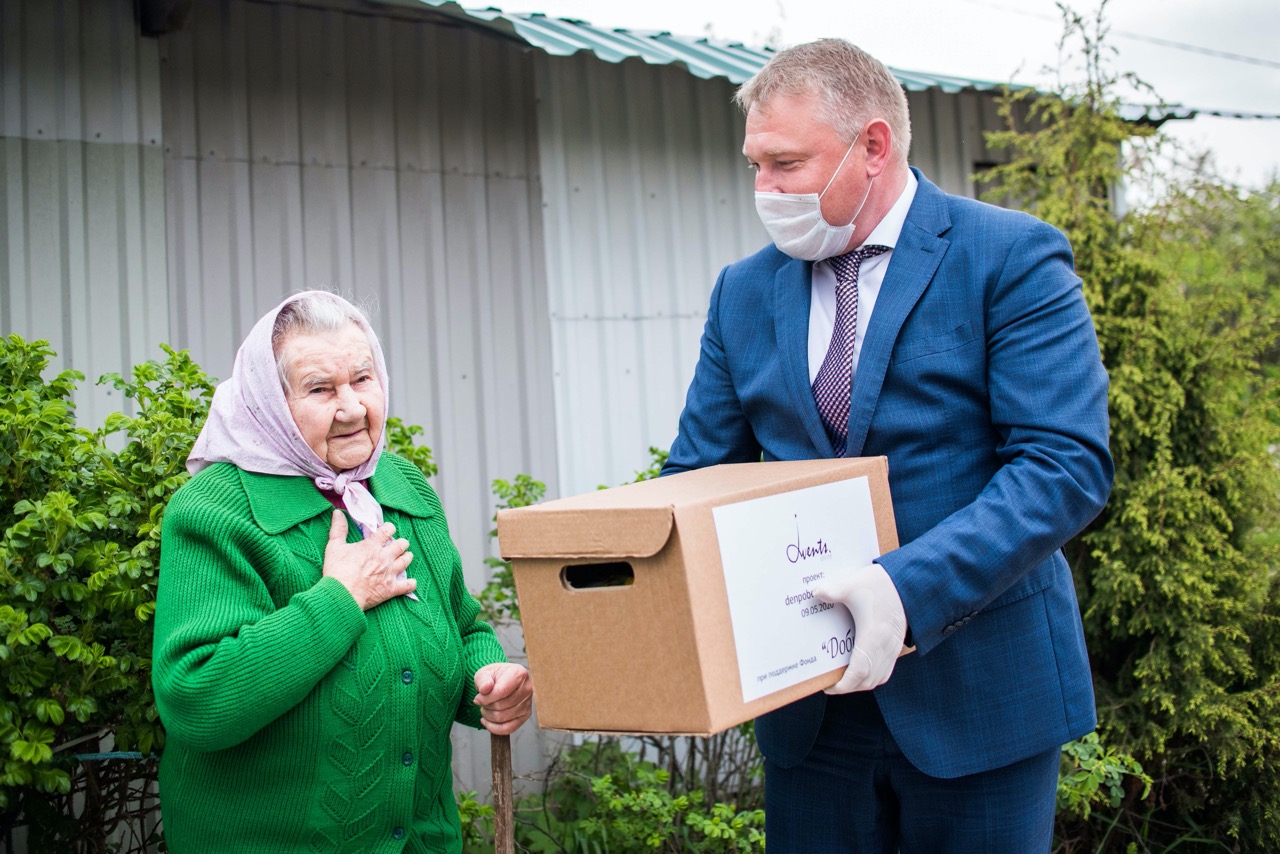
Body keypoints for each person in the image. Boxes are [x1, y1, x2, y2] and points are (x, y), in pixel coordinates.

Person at [663, 39, 1112, 851]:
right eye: (754, 166)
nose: (764, 190)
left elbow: (1062, 465)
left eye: (786, 164)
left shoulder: (1009, 258)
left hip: (978, 698)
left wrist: (903, 589)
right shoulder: (743, 291)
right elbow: (698, 475)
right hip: (809, 716)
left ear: (872, 147)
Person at [152, 291, 533, 852]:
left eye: (363, 379)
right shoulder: (217, 512)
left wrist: (490, 680)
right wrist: (340, 597)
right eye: (320, 389)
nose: (352, 407)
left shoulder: (402, 490)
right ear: (269, 401)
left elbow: (462, 625)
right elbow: (198, 700)